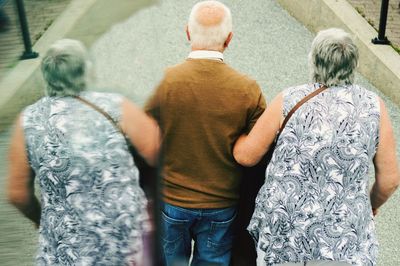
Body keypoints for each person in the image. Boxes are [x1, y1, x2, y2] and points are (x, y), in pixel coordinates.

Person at [233, 28, 400, 266]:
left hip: (285, 235)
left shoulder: (288, 99)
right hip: (344, 242)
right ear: (354, 63)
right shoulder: (374, 107)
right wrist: (370, 206)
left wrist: (235, 137)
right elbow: (390, 179)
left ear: (313, 60)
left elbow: (248, 156)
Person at [7, 39, 160, 265]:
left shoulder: (28, 121)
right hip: (123, 239)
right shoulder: (117, 106)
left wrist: (43, 220)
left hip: (67, 248)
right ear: (86, 70)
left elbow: (17, 194)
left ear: (46, 76)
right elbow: (156, 152)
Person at [145, 1, 266, 265]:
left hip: (172, 200)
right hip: (222, 204)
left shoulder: (165, 81)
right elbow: (258, 150)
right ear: (229, 39)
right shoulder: (247, 89)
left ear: (188, 32)